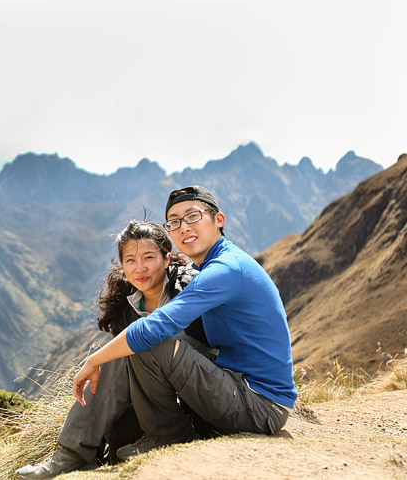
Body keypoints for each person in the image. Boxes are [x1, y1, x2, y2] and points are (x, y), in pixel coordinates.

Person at [71, 185, 297, 462]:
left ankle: (167, 437)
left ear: (219, 220)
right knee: (150, 344)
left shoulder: (225, 269)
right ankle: (82, 448)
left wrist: (93, 361)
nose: (184, 227)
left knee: (150, 340)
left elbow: (157, 326)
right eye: (174, 222)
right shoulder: (216, 265)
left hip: (259, 404)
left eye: (193, 216)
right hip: (240, 386)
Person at [15, 219, 212, 479]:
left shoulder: (189, 289)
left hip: (201, 397)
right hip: (154, 407)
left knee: (136, 343)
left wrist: (97, 361)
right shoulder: (126, 307)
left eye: (148, 257)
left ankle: (73, 454)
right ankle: (74, 454)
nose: (139, 268)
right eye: (130, 260)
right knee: (126, 349)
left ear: (167, 258)